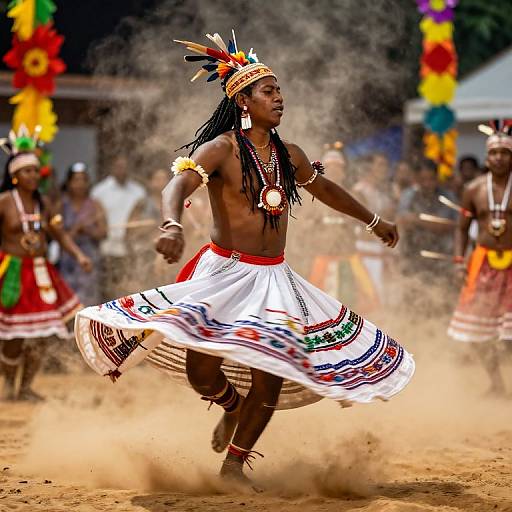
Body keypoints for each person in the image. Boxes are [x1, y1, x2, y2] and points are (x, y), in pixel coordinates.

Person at [74, 32, 414, 487]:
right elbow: (174, 186)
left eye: (280, 90)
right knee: (202, 372)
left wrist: (374, 221)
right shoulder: (221, 150)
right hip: (224, 272)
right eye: (269, 91)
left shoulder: (289, 155)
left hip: (273, 280)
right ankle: (231, 409)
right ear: (244, 102)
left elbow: (326, 190)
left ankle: (234, 464)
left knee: (270, 375)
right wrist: (171, 225)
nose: (280, 98)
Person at [0, 127, 92, 401]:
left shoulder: (45, 203)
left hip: (40, 273)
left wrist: (79, 255)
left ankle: (26, 387)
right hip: (13, 272)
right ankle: (8, 385)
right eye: (27, 171)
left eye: (35, 170)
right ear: (15, 175)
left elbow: (59, 234)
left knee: (42, 334)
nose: (32, 175)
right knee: (12, 338)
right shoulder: (4, 202)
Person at [448, 121, 512, 395]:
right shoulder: (473, 189)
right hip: (482, 263)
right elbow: (461, 229)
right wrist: (459, 262)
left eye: (504, 152)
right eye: (494, 152)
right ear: (487, 157)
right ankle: (496, 382)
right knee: (475, 330)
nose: (499, 157)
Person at [91, 155, 146, 300]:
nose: (122, 170)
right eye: (118, 166)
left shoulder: (138, 191)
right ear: (112, 168)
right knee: (108, 289)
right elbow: (95, 220)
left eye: (125, 166)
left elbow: (141, 218)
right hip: (108, 248)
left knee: (129, 289)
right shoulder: (99, 191)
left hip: (131, 249)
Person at [58, 162, 107, 306]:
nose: (80, 184)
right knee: (68, 297)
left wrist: (88, 230)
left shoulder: (95, 204)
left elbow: (104, 232)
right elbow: (57, 234)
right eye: (76, 180)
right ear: (69, 183)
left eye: (83, 180)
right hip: (68, 259)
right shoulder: (61, 205)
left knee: (89, 297)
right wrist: (74, 230)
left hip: (89, 258)